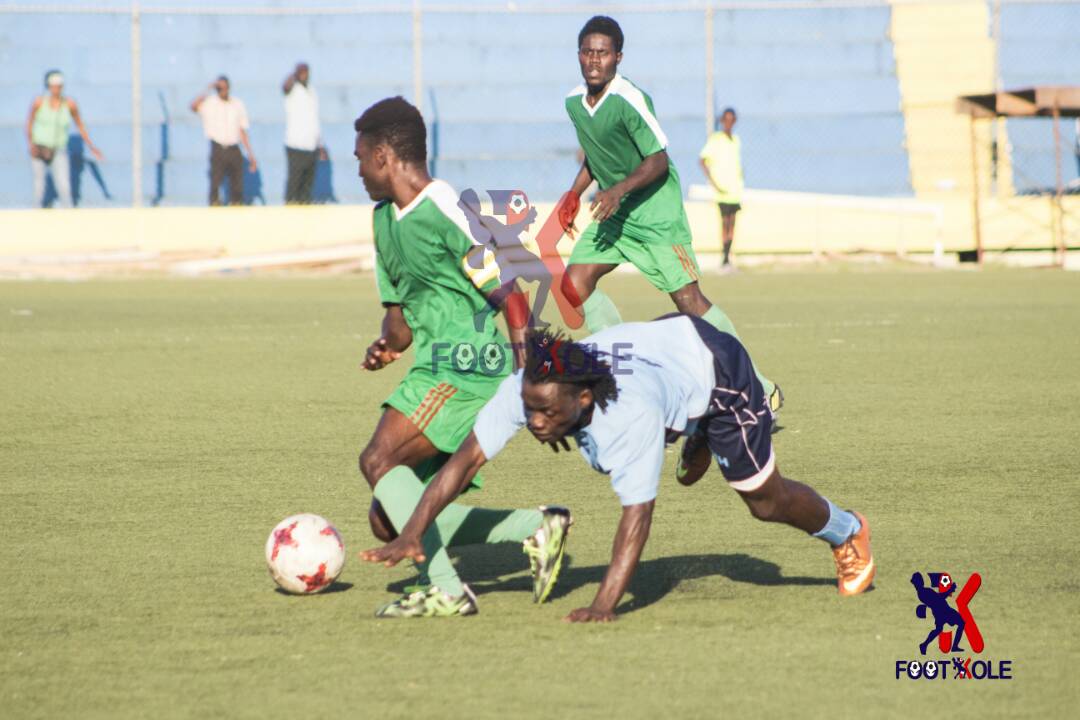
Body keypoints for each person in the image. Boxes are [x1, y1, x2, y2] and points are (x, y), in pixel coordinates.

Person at [360, 317, 875, 623]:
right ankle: (690, 430)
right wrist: (414, 532)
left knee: (763, 500)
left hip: (719, 373)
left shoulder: (628, 420)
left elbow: (637, 516)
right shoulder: (532, 384)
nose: (536, 422)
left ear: (584, 398)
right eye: (531, 410)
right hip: (664, 350)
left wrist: (605, 604)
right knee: (656, 420)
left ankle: (847, 530)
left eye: (548, 414)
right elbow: (465, 459)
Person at [353, 97, 572, 618]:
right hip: (431, 366)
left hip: (467, 368)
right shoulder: (384, 220)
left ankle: (447, 589)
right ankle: (534, 527)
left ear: (384, 156)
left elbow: (512, 297)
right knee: (388, 518)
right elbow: (400, 323)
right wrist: (386, 345)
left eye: (360, 156)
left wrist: (526, 378)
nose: (357, 169)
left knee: (378, 460)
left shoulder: (447, 210)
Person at [556, 16, 782, 417]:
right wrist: (573, 194)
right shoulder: (574, 102)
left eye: (603, 53)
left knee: (688, 301)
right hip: (615, 214)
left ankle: (759, 387)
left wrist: (618, 190)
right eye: (588, 52)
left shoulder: (629, 99)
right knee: (574, 283)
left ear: (618, 57)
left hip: (656, 214)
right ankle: (618, 379)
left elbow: (658, 160)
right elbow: (597, 152)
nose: (594, 60)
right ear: (578, 55)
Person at [25, 70, 104, 208]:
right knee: (39, 185)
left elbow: (80, 125)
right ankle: (36, 214)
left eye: (59, 86)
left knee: (63, 185)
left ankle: (68, 215)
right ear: (48, 86)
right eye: (53, 86)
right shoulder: (39, 102)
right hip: (39, 148)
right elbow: (29, 123)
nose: (56, 89)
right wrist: (30, 143)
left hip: (59, 149)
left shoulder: (69, 104)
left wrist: (91, 146)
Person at [190, 76, 257, 206]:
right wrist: (208, 88)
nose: (223, 90)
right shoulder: (209, 103)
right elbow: (193, 106)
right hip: (218, 147)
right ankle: (215, 205)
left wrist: (250, 154)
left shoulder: (237, 104)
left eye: (225, 87)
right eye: (220, 88)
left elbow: (242, 130)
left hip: (234, 147)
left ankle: (236, 205)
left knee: (237, 182)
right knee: (215, 181)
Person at [700, 108, 744, 271]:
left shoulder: (736, 140)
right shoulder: (716, 139)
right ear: (722, 121)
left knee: (732, 223)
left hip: (735, 190)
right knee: (724, 222)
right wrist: (713, 182)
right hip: (722, 191)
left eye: (732, 120)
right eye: (726, 120)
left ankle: (728, 258)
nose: (729, 123)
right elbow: (703, 160)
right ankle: (724, 259)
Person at [282, 63, 326, 204]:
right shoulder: (293, 90)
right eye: (300, 72)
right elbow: (285, 87)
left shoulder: (312, 91)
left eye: (305, 72)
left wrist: (320, 145)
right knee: (295, 180)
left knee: (307, 184)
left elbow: (315, 119)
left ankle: (305, 212)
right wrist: (293, 75)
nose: (304, 75)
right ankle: (290, 209)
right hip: (295, 144)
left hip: (311, 144)